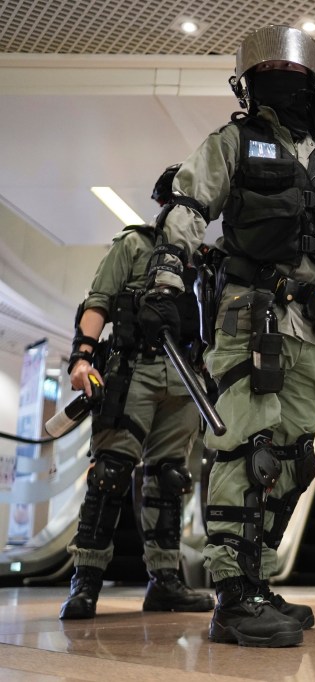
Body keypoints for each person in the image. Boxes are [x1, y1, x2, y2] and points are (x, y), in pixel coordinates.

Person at [138, 25, 315, 647]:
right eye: (273, 74)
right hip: (250, 317)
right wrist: (164, 282)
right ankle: (232, 597)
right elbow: (187, 206)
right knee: (246, 450)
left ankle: (258, 584)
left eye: (296, 75)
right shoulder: (232, 141)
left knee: (293, 459)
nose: (286, 84)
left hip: (312, 329)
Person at [59, 164, 214, 620]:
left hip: (185, 379)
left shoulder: (204, 260)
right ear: (167, 203)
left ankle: (164, 581)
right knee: (109, 475)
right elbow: (98, 301)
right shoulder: (134, 245)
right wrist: (81, 358)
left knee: (170, 480)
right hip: (134, 371)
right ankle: (85, 582)